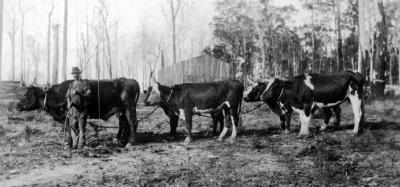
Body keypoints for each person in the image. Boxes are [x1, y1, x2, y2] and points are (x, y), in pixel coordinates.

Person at [65, 67, 91, 149]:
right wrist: (68, 103)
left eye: (76, 73)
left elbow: (89, 95)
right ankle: (75, 145)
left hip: (82, 110)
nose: (74, 75)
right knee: (73, 128)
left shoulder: (84, 84)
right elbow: (68, 96)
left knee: (81, 129)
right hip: (73, 110)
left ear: (79, 74)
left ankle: (80, 147)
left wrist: (79, 93)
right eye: (73, 73)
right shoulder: (71, 85)